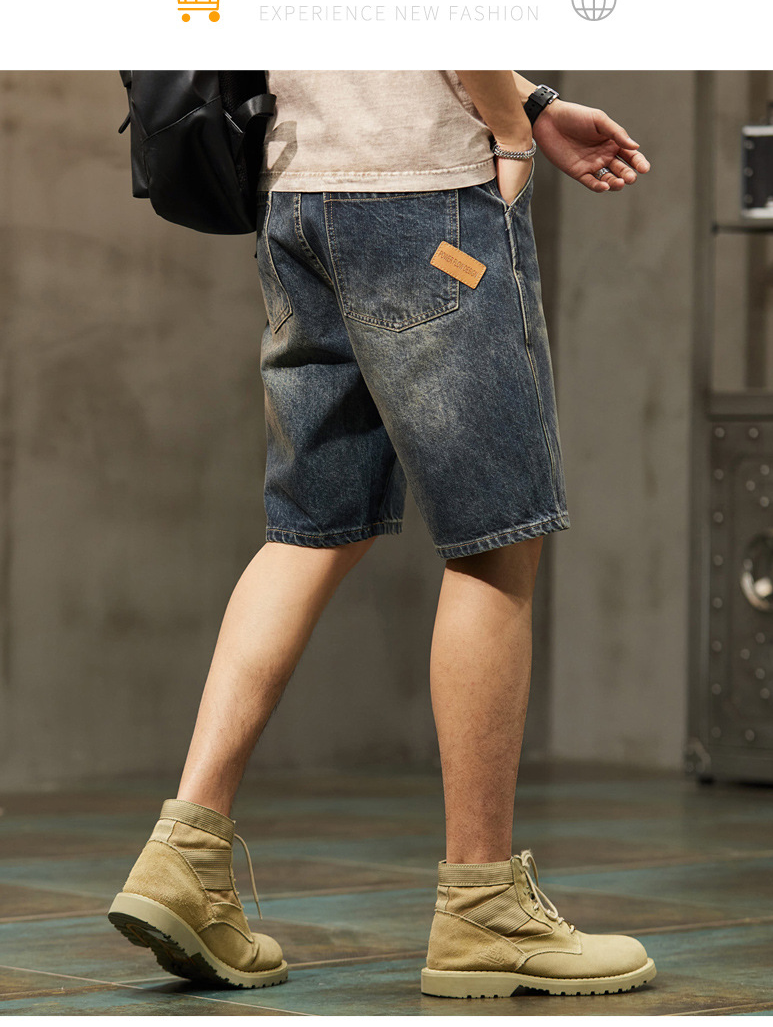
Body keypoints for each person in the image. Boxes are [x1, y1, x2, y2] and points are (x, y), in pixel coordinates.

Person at [108, 70, 655, 999]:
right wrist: (507, 128)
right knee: (495, 539)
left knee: (308, 530)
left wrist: (530, 100)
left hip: (296, 198)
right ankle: (483, 910)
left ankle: (184, 854)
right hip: (424, 194)